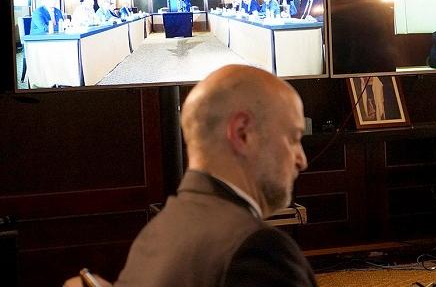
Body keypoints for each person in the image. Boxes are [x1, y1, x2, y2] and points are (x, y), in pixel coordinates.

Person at [114, 64, 316, 287]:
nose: (302, 160)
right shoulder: (256, 249)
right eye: (293, 138)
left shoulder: (157, 232)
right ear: (243, 133)